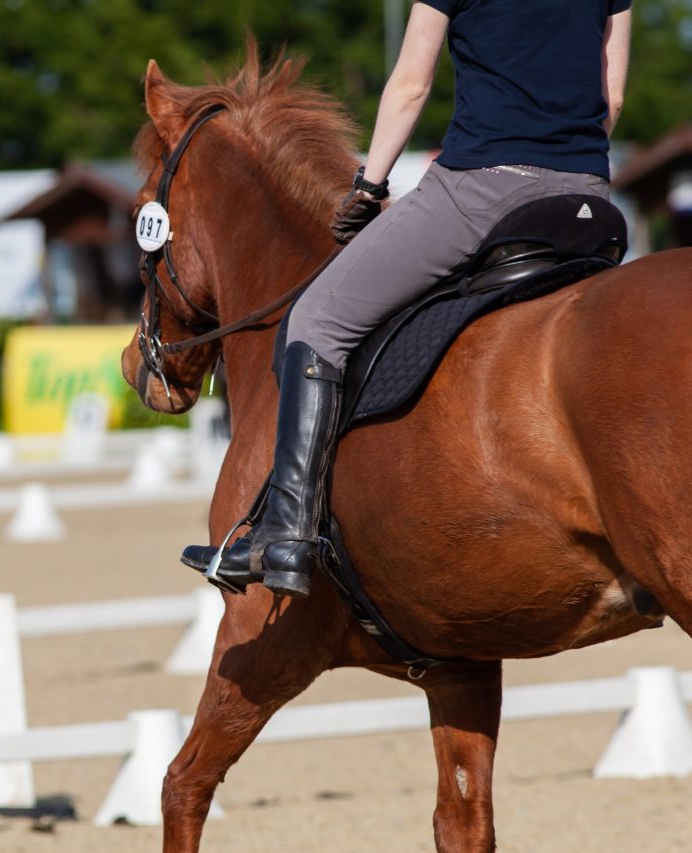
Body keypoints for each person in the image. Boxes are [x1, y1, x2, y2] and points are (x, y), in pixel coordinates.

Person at [183, 0, 633, 597]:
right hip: (588, 195)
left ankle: (284, 535)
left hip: (481, 189)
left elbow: (412, 84)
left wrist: (369, 185)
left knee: (317, 320)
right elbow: (614, 97)